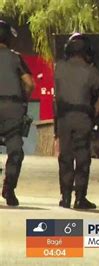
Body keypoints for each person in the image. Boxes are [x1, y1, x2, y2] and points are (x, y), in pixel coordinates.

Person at [55, 33, 99, 209]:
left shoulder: (59, 68)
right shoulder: (91, 71)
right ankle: (80, 197)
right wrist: (92, 114)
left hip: (63, 118)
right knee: (82, 157)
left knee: (65, 157)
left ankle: (65, 196)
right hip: (83, 118)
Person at [0, 20, 35, 206]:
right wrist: (23, 101)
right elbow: (29, 84)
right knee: (15, 151)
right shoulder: (15, 58)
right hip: (12, 110)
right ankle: (9, 189)